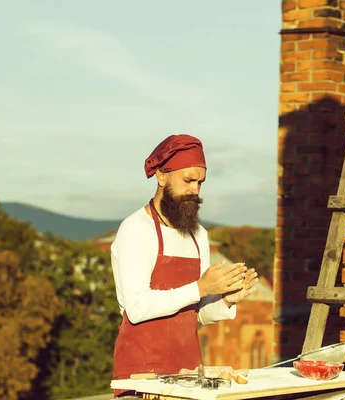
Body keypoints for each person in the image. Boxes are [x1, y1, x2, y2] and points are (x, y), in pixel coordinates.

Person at [110, 134, 259, 397]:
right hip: (142, 377)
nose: (195, 190)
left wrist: (226, 300)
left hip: (188, 374)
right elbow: (136, 308)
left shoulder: (197, 234)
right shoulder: (136, 230)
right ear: (161, 176)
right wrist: (201, 287)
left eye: (200, 182)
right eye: (188, 180)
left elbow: (198, 314)